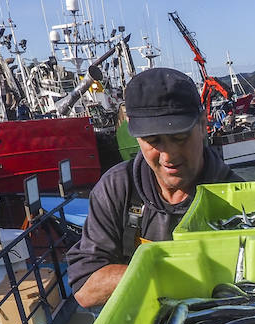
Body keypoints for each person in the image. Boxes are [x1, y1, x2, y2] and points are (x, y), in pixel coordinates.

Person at [66, 67, 239, 307]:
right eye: (153, 141)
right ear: (136, 137)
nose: (169, 155)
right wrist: (166, 269)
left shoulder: (235, 195)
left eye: (180, 138)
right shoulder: (116, 188)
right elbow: (85, 289)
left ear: (202, 125)